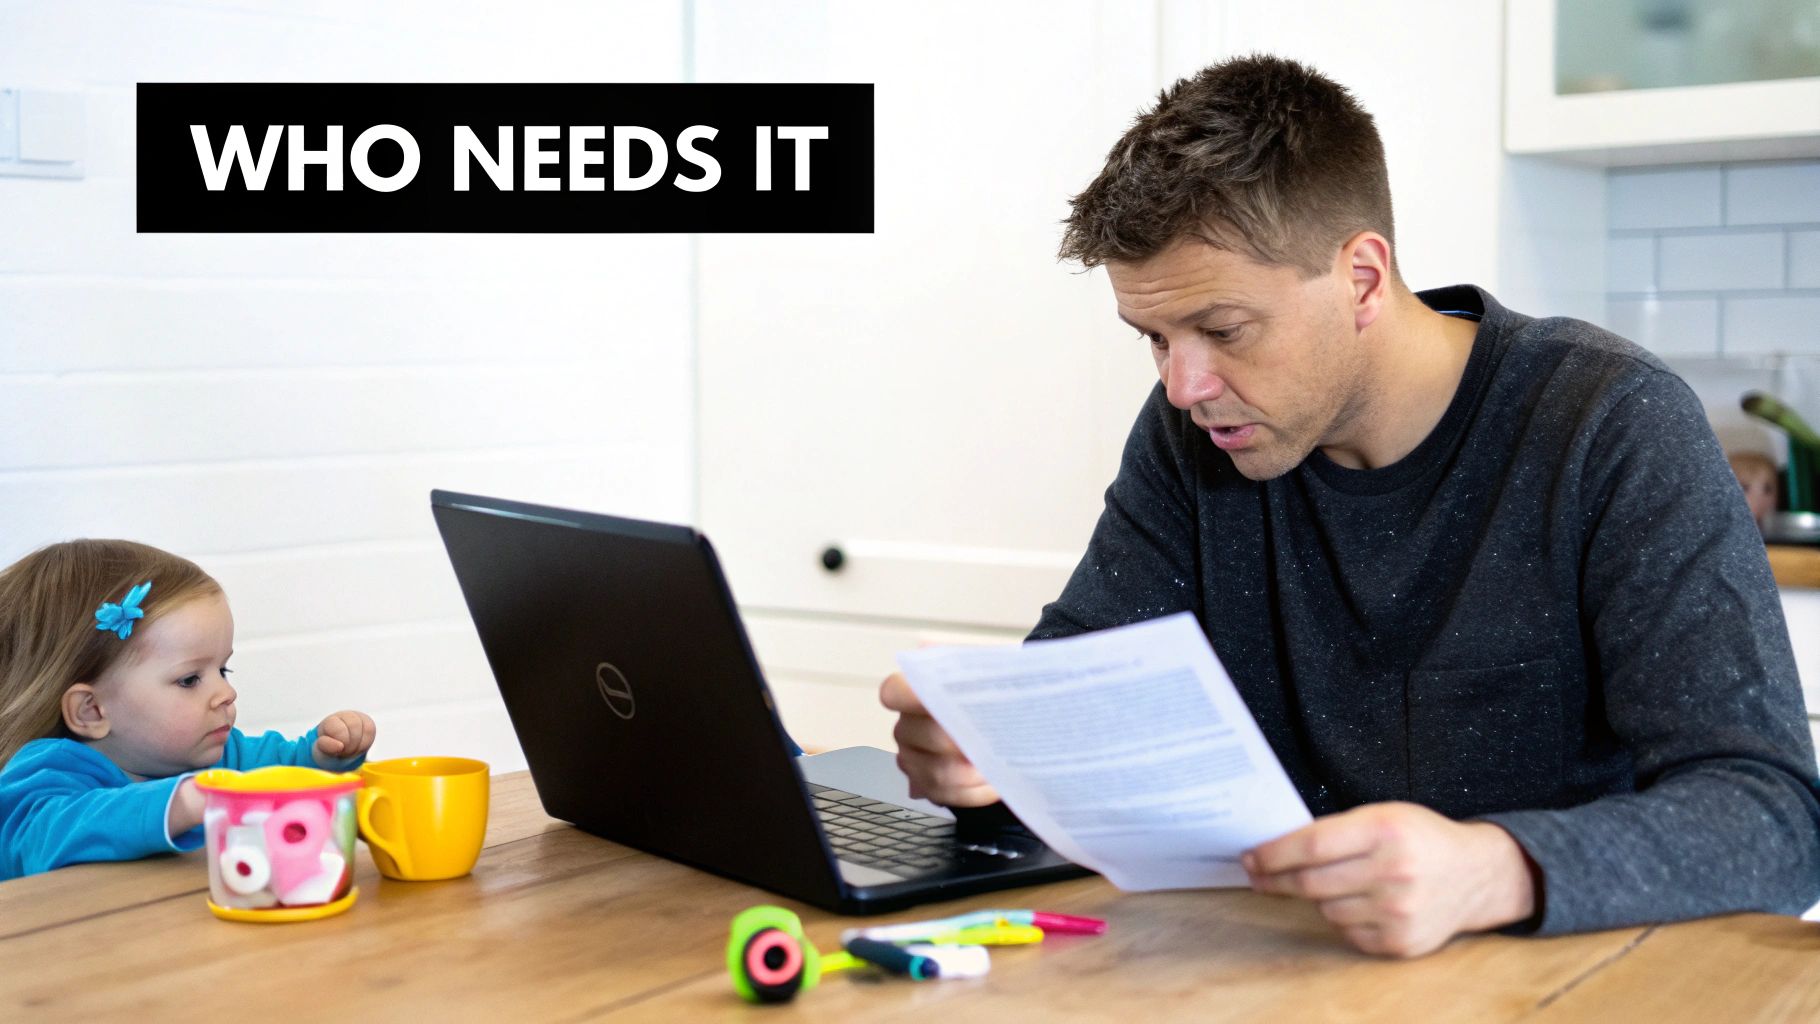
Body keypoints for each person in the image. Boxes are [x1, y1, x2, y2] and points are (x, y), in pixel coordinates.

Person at [880, 55, 1820, 958]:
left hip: (1557, 983)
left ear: (1363, 279)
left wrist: (1501, 869)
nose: (1182, 384)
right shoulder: (1197, 433)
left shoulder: (1608, 423)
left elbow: (1773, 817)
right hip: (1276, 971)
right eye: (1153, 339)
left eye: (1220, 329)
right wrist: (990, 757)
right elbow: (1076, 700)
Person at [0, 539, 377, 880]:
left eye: (223, 669)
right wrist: (180, 803)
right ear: (92, 711)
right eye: (190, 680)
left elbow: (285, 772)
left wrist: (322, 756)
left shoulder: (221, 758)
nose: (226, 693)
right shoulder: (44, 775)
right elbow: (40, 838)